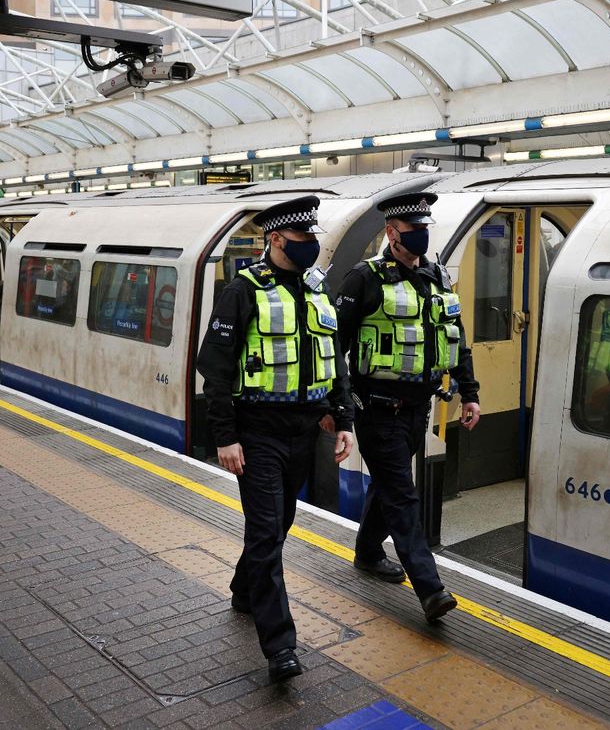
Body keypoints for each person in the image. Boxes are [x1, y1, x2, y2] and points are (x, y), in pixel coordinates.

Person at [196, 195, 356, 684]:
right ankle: (280, 646)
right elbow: (215, 369)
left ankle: (245, 591)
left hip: (304, 431)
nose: (310, 244)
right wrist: (225, 437)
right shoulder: (243, 291)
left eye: (312, 237)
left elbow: (332, 359)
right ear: (275, 239)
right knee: (266, 533)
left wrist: (342, 418)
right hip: (258, 431)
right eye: (302, 238)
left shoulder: (315, 290)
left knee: (280, 522)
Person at [335, 192, 479, 623]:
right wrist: (338, 407)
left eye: (424, 229)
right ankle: (430, 588)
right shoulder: (364, 280)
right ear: (391, 233)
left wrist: (469, 393)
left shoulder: (436, 277)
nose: (421, 236)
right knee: (402, 494)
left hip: (418, 409)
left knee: (389, 483)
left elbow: (456, 339)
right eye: (413, 230)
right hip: (377, 408)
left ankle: (365, 552)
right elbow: (334, 348)